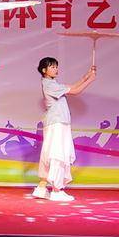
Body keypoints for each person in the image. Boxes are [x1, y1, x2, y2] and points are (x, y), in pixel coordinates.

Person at [33, 56, 96, 202]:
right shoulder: (49, 85)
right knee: (58, 154)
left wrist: (87, 76)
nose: (56, 69)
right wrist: (91, 80)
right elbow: (75, 91)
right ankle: (56, 190)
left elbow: (71, 87)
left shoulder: (52, 83)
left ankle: (41, 188)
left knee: (51, 154)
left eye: (56, 66)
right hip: (57, 123)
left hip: (57, 123)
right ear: (44, 70)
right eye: (52, 67)